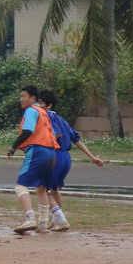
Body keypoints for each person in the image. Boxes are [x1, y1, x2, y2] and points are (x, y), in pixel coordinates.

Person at [38, 89, 104, 231]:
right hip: (66, 158)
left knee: (41, 188)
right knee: (54, 190)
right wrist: (92, 157)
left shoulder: (47, 117)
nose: (37, 106)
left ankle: (61, 219)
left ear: (49, 105)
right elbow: (76, 140)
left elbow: (56, 134)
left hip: (55, 156)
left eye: (40, 103)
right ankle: (57, 220)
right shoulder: (62, 120)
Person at [7, 85, 60, 234]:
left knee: (20, 186)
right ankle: (44, 224)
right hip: (52, 152)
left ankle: (30, 218)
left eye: (23, 96)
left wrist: (13, 147)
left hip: (38, 151)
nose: (21, 99)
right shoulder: (44, 112)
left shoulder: (31, 110)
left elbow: (28, 131)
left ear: (33, 98)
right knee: (42, 188)